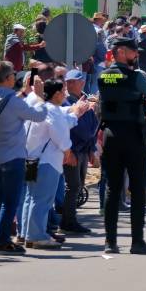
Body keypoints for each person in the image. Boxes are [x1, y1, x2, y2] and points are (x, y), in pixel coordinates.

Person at [0, 64, 61, 254]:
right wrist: (40, 97)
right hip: (13, 154)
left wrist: (24, 94)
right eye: (13, 75)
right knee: (10, 201)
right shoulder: (13, 101)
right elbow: (39, 115)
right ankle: (2, 241)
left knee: (0, 198)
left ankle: (1, 238)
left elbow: (7, 104)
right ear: (8, 78)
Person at [96, 36, 146, 255]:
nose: (137, 55)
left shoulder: (102, 76)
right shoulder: (135, 77)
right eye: (133, 52)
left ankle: (110, 242)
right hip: (133, 135)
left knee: (113, 190)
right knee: (137, 190)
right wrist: (142, 106)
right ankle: (137, 241)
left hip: (110, 134)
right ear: (121, 52)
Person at [20, 79, 77, 249]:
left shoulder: (37, 106)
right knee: (42, 199)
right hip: (46, 162)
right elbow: (60, 135)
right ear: (57, 93)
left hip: (31, 159)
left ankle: (27, 234)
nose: (65, 94)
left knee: (31, 198)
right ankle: (37, 236)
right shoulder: (52, 110)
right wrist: (68, 151)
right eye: (64, 90)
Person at [60, 69, 98, 235]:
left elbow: (92, 125)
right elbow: (69, 129)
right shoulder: (65, 102)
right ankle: (68, 221)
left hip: (83, 149)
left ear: (82, 82)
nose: (69, 84)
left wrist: (91, 148)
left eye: (73, 81)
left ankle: (70, 219)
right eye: (68, 81)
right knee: (73, 186)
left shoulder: (85, 100)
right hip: (73, 150)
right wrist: (71, 152)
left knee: (78, 185)